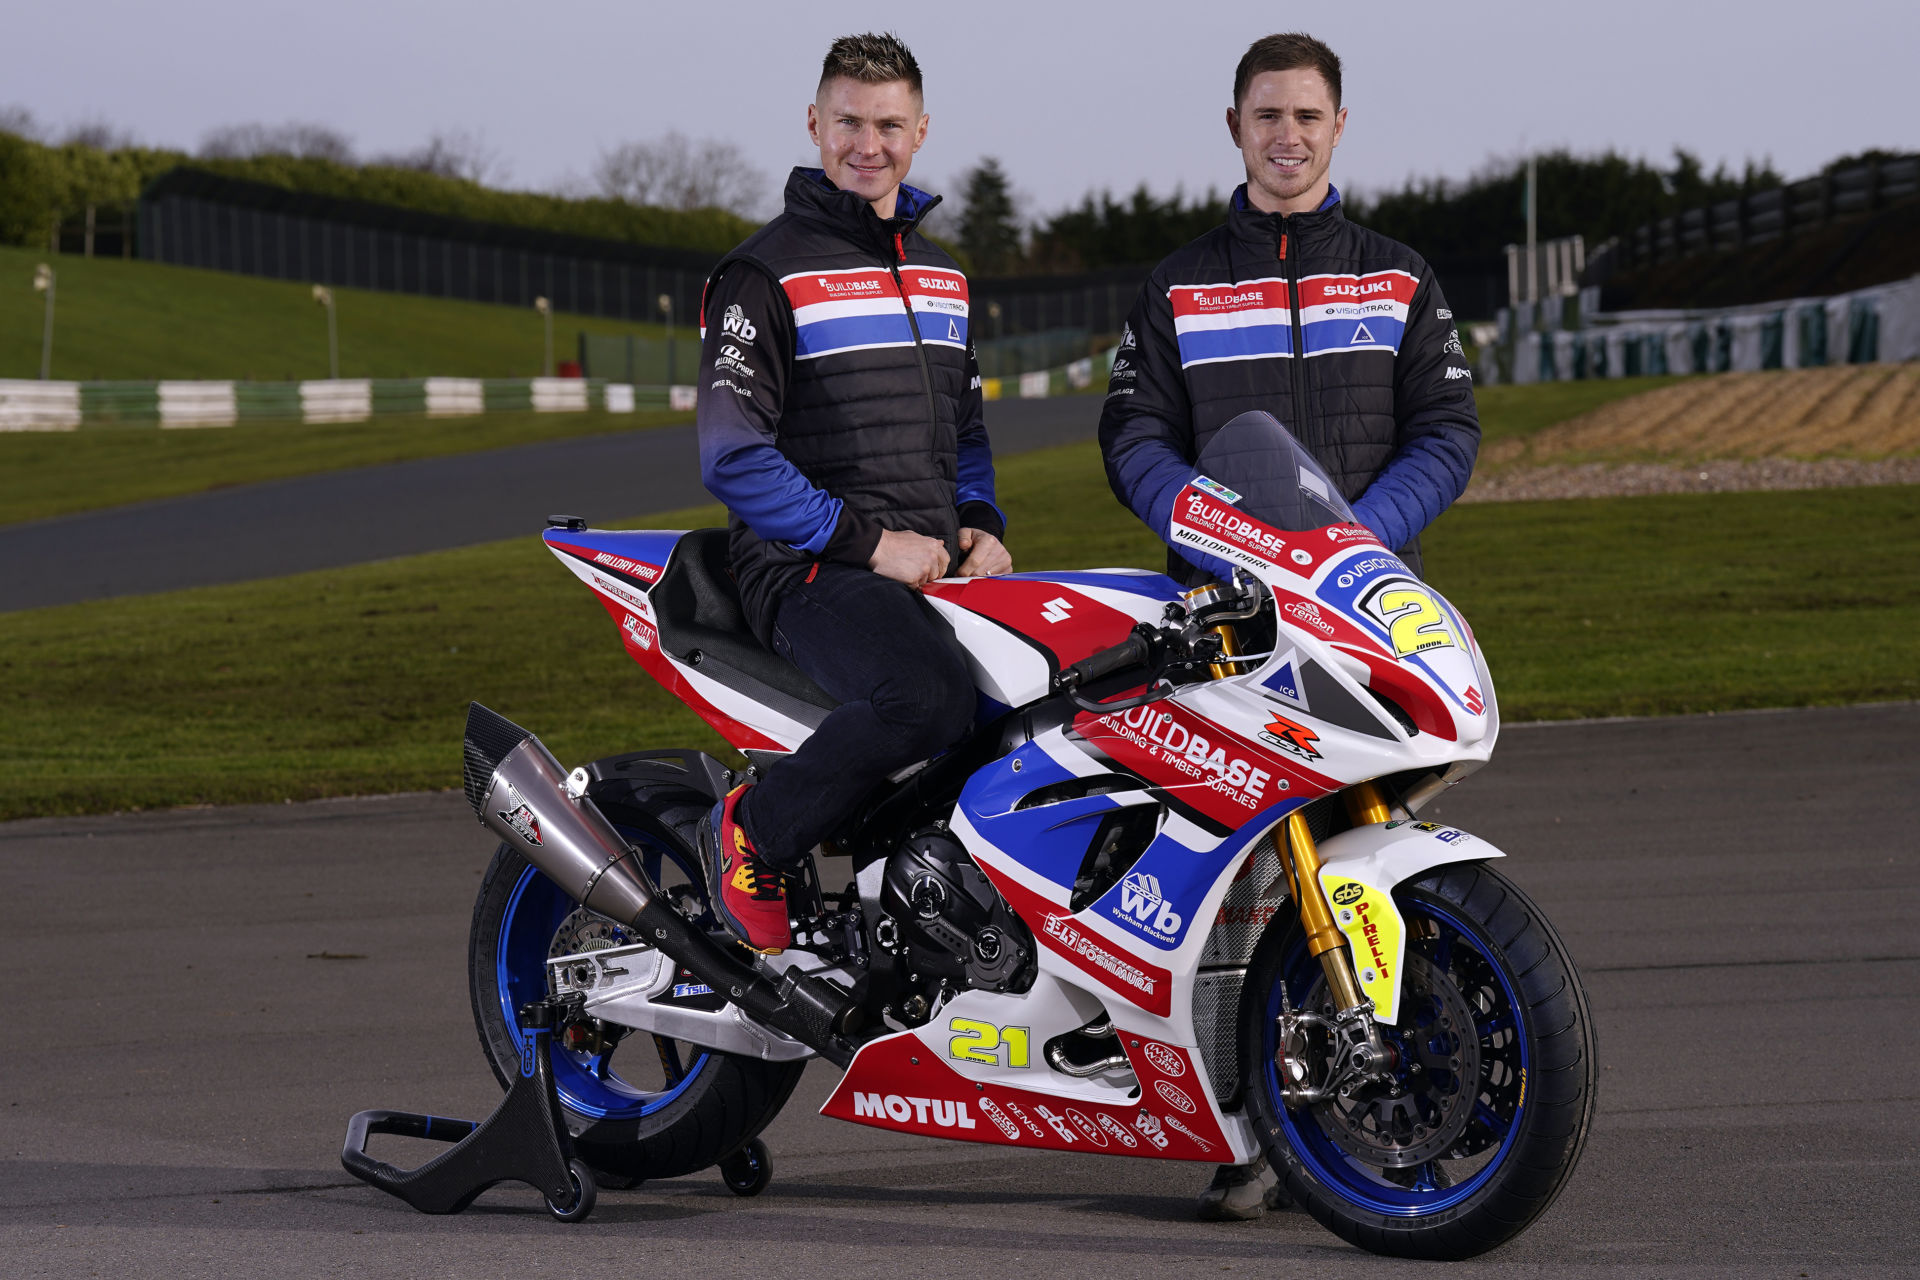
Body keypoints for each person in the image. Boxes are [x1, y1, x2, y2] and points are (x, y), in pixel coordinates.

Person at [1096, 33, 1481, 1220]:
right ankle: (1239, 1123)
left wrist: (1355, 539)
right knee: (1238, 881)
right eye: (1267, 115)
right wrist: (1215, 529)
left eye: (1308, 115)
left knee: (1363, 863)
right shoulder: (1176, 284)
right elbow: (1131, 439)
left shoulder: (1401, 276)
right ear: (1236, 127)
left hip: (1364, 615)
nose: (1288, 135)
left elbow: (1450, 434)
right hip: (1226, 621)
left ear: (1339, 126)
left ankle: (1372, 1099)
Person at [694, 32, 1010, 956]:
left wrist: (980, 523)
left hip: (921, 563)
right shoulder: (765, 272)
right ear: (813, 124)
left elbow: (968, 435)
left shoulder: (943, 272)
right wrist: (869, 544)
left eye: (887, 125)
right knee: (928, 698)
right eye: (847, 123)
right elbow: (732, 457)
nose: (866, 145)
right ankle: (757, 830)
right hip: (802, 566)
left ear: (920, 132)